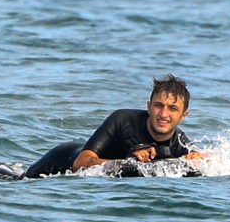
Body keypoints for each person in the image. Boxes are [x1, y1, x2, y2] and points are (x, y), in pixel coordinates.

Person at [21, 74, 205, 178]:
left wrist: (200, 160)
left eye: (172, 109)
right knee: (15, 180)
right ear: (148, 106)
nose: (163, 114)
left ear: (183, 116)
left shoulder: (181, 144)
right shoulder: (122, 120)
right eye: (158, 106)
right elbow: (81, 164)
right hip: (59, 162)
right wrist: (129, 162)